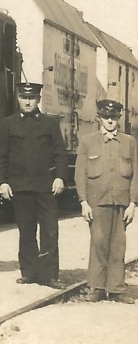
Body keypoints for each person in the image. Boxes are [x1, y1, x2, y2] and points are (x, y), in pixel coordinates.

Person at [0, 82, 67, 288]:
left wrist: (60, 177)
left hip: (46, 186)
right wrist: (2, 182)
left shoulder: (49, 124)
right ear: (18, 99)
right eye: (24, 98)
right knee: (26, 231)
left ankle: (50, 275)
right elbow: (0, 156)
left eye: (32, 98)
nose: (27, 102)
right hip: (20, 186)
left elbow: (60, 154)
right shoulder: (7, 124)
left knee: (49, 231)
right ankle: (29, 272)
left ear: (38, 100)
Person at [75, 99, 138, 303]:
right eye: (106, 117)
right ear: (99, 118)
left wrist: (133, 203)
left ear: (119, 119)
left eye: (113, 118)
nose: (110, 121)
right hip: (97, 201)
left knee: (118, 245)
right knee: (99, 243)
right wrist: (84, 201)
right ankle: (97, 288)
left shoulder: (129, 142)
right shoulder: (88, 141)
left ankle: (117, 289)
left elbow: (136, 173)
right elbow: (80, 173)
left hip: (121, 202)